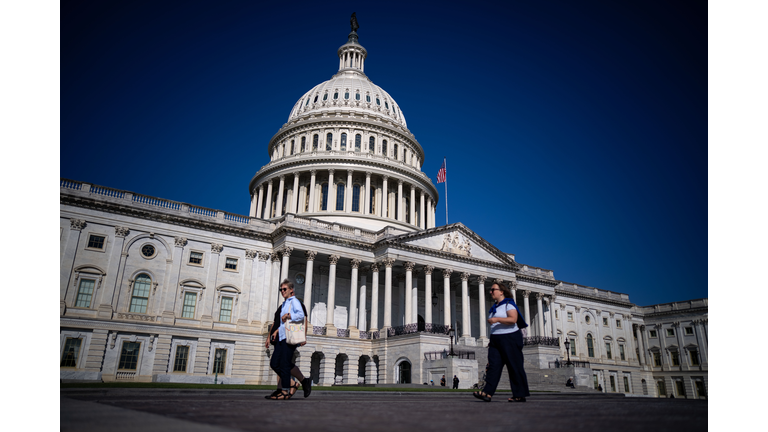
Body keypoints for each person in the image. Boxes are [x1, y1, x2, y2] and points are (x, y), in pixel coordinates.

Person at [472, 282, 530, 403]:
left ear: (501, 291)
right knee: (493, 366)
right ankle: (487, 392)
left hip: (510, 338)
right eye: (491, 290)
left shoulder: (508, 304)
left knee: (514, 366)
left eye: (493, 289)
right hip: (496, 339)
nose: (491, 292)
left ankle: (519, 394)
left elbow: (513, 319)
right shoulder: (496, 307)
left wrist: (496, 319)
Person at [264, 290, 312, 399]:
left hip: (288, 336)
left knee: (284, 363)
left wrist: (304, 336)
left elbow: (303, 320)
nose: (283, 293)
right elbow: (274, 322)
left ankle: (289, 387)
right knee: (280, 364)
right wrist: (268, 337)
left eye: (285, 290)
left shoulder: (297, 306)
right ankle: (284, 388)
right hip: (277, 337)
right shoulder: (282, 307)